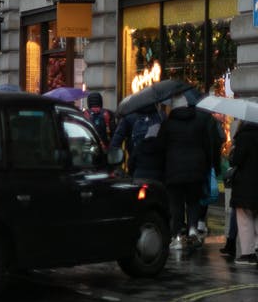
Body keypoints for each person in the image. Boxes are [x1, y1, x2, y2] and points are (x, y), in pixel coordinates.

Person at [156, 93, 223, 250]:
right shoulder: (199, 121)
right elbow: (207, 145)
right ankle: (193, 230)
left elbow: (160, 147)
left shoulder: (168, 124)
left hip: (173, 169)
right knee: (193, 201)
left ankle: (177, 235)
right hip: (196, 169)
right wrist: (208, 165)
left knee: (176, 204)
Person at [227, 120, 258, 266]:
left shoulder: (243, 136)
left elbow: (235, 161)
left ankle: (248, 254)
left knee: (245, 220)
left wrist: (232, 152)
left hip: (245, 185)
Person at [109, 103, 164, 177]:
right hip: (158, 166)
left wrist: (116, 166)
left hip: (136, 164)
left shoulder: (130, 116)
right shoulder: (161, 116)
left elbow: (116, 141)